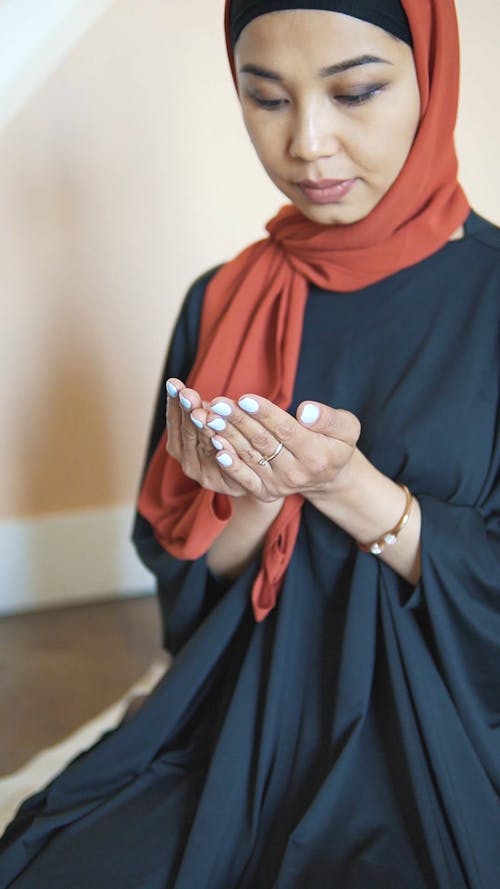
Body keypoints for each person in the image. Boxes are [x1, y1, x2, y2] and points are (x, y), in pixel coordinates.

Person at [1, 0, 499, 886]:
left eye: (356, 92)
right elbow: (191, 595)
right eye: (266, 98)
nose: (307, 143)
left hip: (444, 721)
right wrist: (257, 494)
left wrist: (350, 488)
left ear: (434, 75)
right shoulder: (223, 298)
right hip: (242, 699)